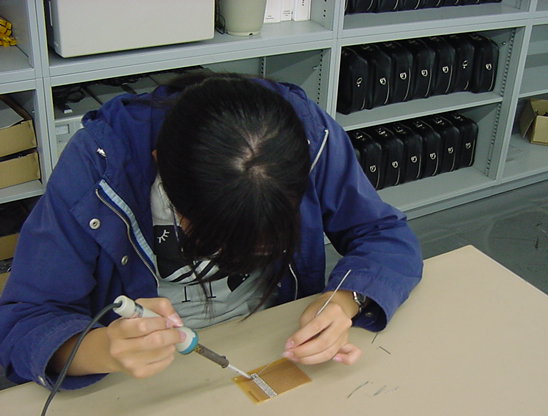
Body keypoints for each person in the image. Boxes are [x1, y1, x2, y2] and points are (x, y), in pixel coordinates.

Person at [0, 72, 423, 390]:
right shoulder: (98, 166)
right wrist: (102, 349)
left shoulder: (306, 138)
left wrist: (343, 302)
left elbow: (383, 233)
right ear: (160, 167)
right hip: (137, 383)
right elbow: (24, 321)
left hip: (271, 341)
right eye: (214, 237)